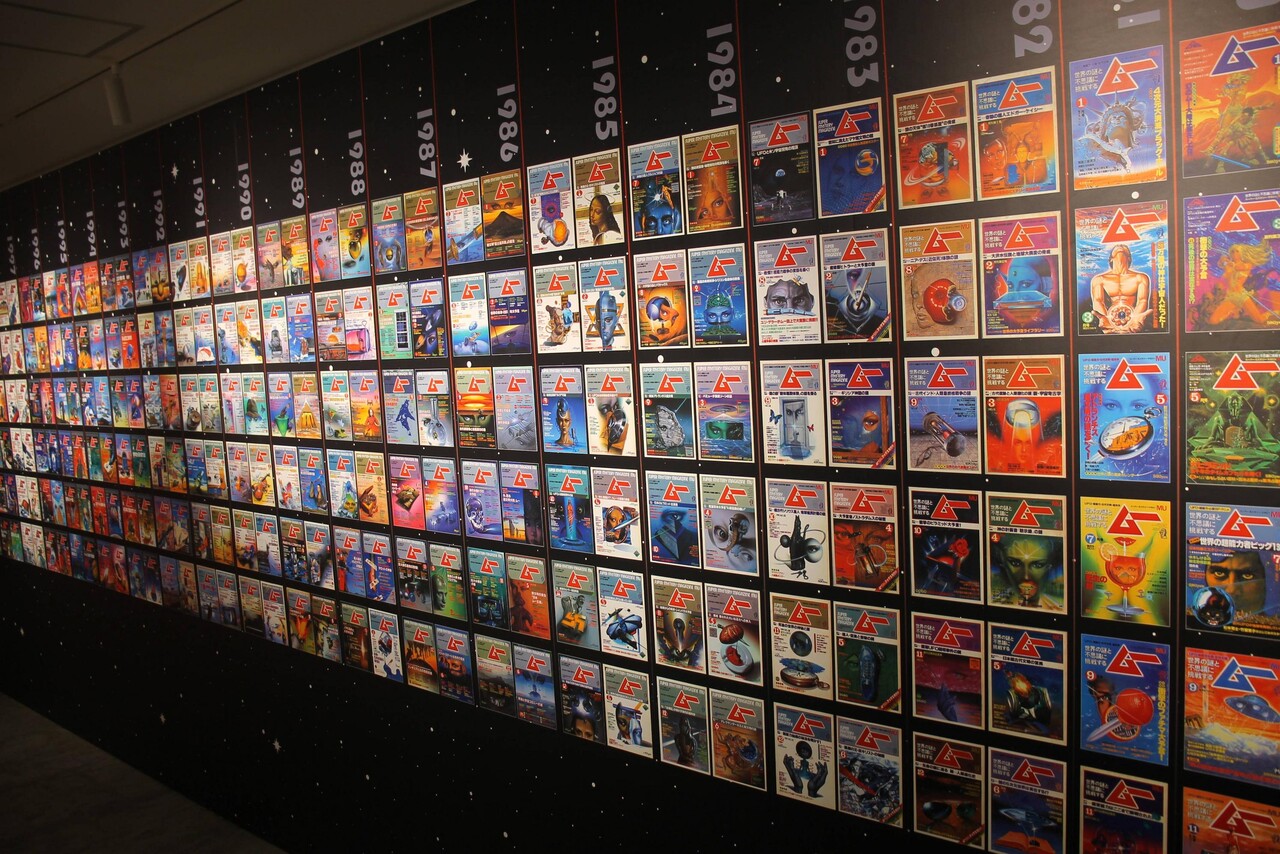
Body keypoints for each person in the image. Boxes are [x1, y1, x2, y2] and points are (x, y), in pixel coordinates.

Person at [1090, 244, 1152, 332]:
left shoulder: (1140, 277)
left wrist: (1134, 321)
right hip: (1111, 320)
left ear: (1129, 258)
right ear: (1111, 259)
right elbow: (1098, 301)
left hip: (1132, 320)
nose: (1120, 246)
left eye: (1124, 248)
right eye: (1116, 248)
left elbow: (1142, 300)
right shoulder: (1099, 279)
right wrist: (1107, 321)